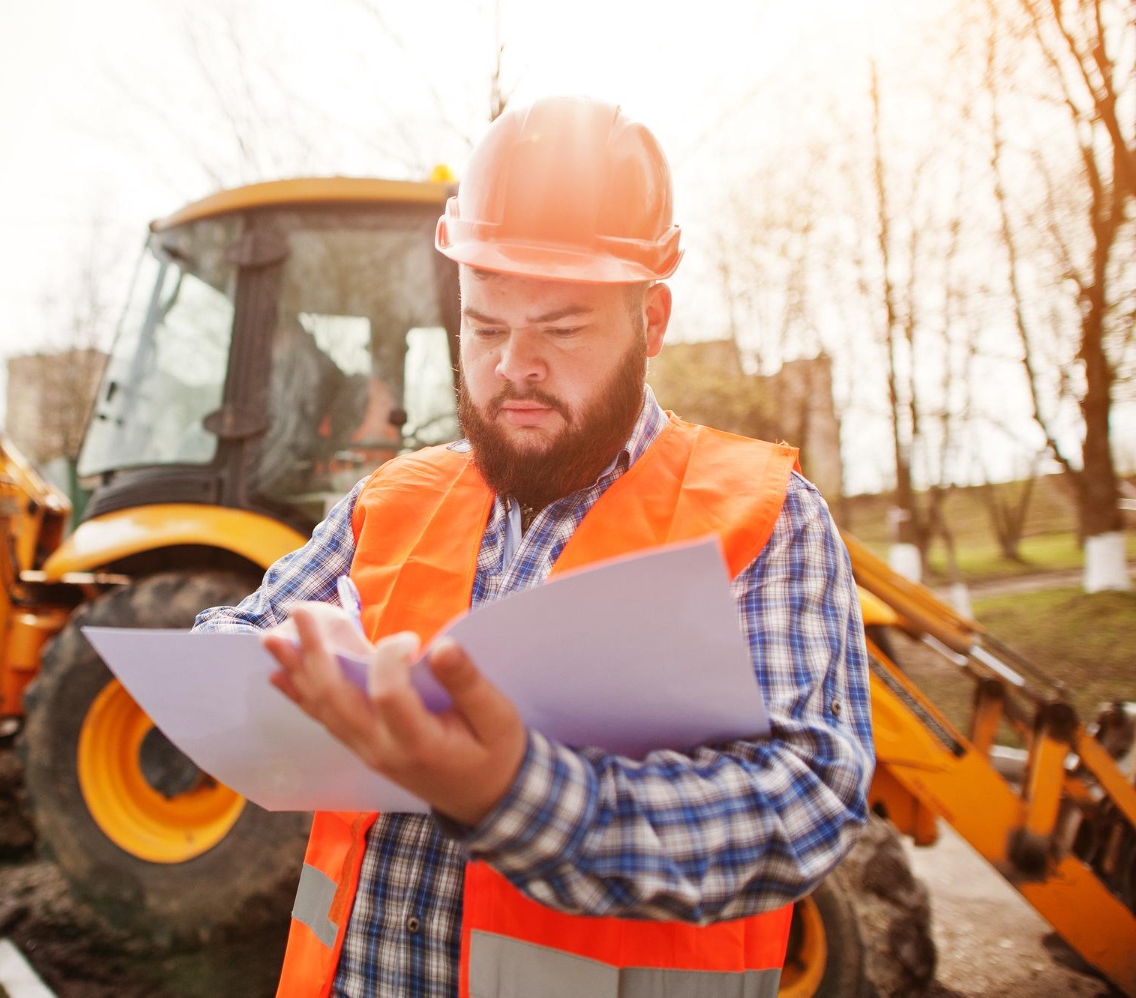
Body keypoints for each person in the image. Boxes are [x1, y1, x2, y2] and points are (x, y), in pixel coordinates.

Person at [194, 96, 874, 998]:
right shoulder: (389, 500)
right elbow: (226, 642)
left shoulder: (767, 518)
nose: (515, 363)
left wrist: (522, 794)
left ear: (652, 320)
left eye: (561, 328)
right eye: (484, 326)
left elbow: (804, 799)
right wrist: (279, 672)